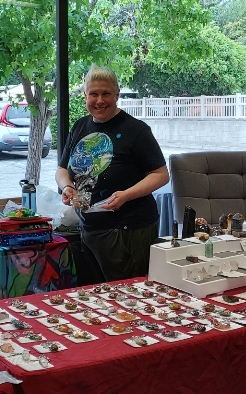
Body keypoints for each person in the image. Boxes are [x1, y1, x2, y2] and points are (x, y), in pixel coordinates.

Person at [56, 65, 170, 282]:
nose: (100, 100)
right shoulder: (80, 126)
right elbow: (62, 169)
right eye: (94, 94)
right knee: (97, 298)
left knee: (128, 296)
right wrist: (67, 187)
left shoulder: (136, 130)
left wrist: (126, 195)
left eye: (106, 94)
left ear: (117, 95)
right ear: (85, 96)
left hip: (127, 229)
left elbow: (161, 174)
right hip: (89, 228)